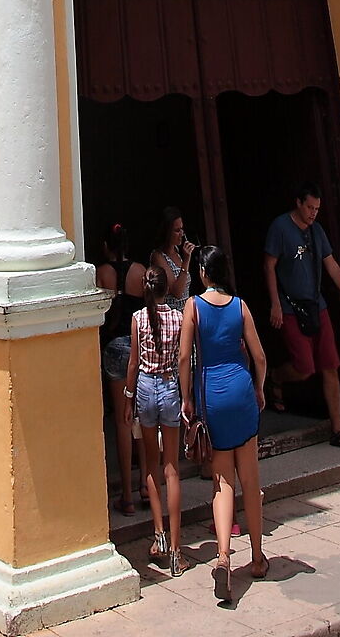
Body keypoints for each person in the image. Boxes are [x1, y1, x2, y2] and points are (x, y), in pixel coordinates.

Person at [178, 244, 274, 606]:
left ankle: (222, 556)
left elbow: (186, 356)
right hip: (240, 389)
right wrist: (259, 388)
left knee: (222, 482)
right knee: (251, 481)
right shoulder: (240, 306)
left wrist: (186, 397)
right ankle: (258, 556)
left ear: (203, 273)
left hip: (211, 395)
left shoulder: (194, 306)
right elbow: (260, 355)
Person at [262, 181, 340, 451]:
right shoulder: (280, 228)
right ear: (298, 203)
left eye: (317, 209)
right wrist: (274, 303)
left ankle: (337, 429)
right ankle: (276, 376)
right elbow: (269, 265)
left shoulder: (317, 231)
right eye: (309, 207)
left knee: (330, 366)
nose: (313, 213)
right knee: (304, 368)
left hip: (316, 306)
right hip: (289, 306)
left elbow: (331, 266)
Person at [124, 259, 186, 573]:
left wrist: (127, 398)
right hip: (170, 388)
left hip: (146, 390)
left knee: (150, 465)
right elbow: (183, 358)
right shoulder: (178, 317)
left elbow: (133, 364)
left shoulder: (137, 319)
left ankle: (159, 533)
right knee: (171, 468)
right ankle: (176, 549)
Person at [96, 222, 146, 516]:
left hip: (114, 346)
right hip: (137, 344)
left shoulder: (102, 272)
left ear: (106, 246)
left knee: (122, 421)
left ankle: (126, 494)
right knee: (140, 417)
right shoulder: (140, 271)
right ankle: (145, 486)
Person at [149, 203, 194, 304]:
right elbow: (177, 292)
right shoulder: (158, 256)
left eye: (182, 229)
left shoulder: (177, 251)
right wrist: (186, 261)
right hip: (171, 314)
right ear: (167, 232)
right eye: (177, 230)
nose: (181, 234)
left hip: (185, 312)